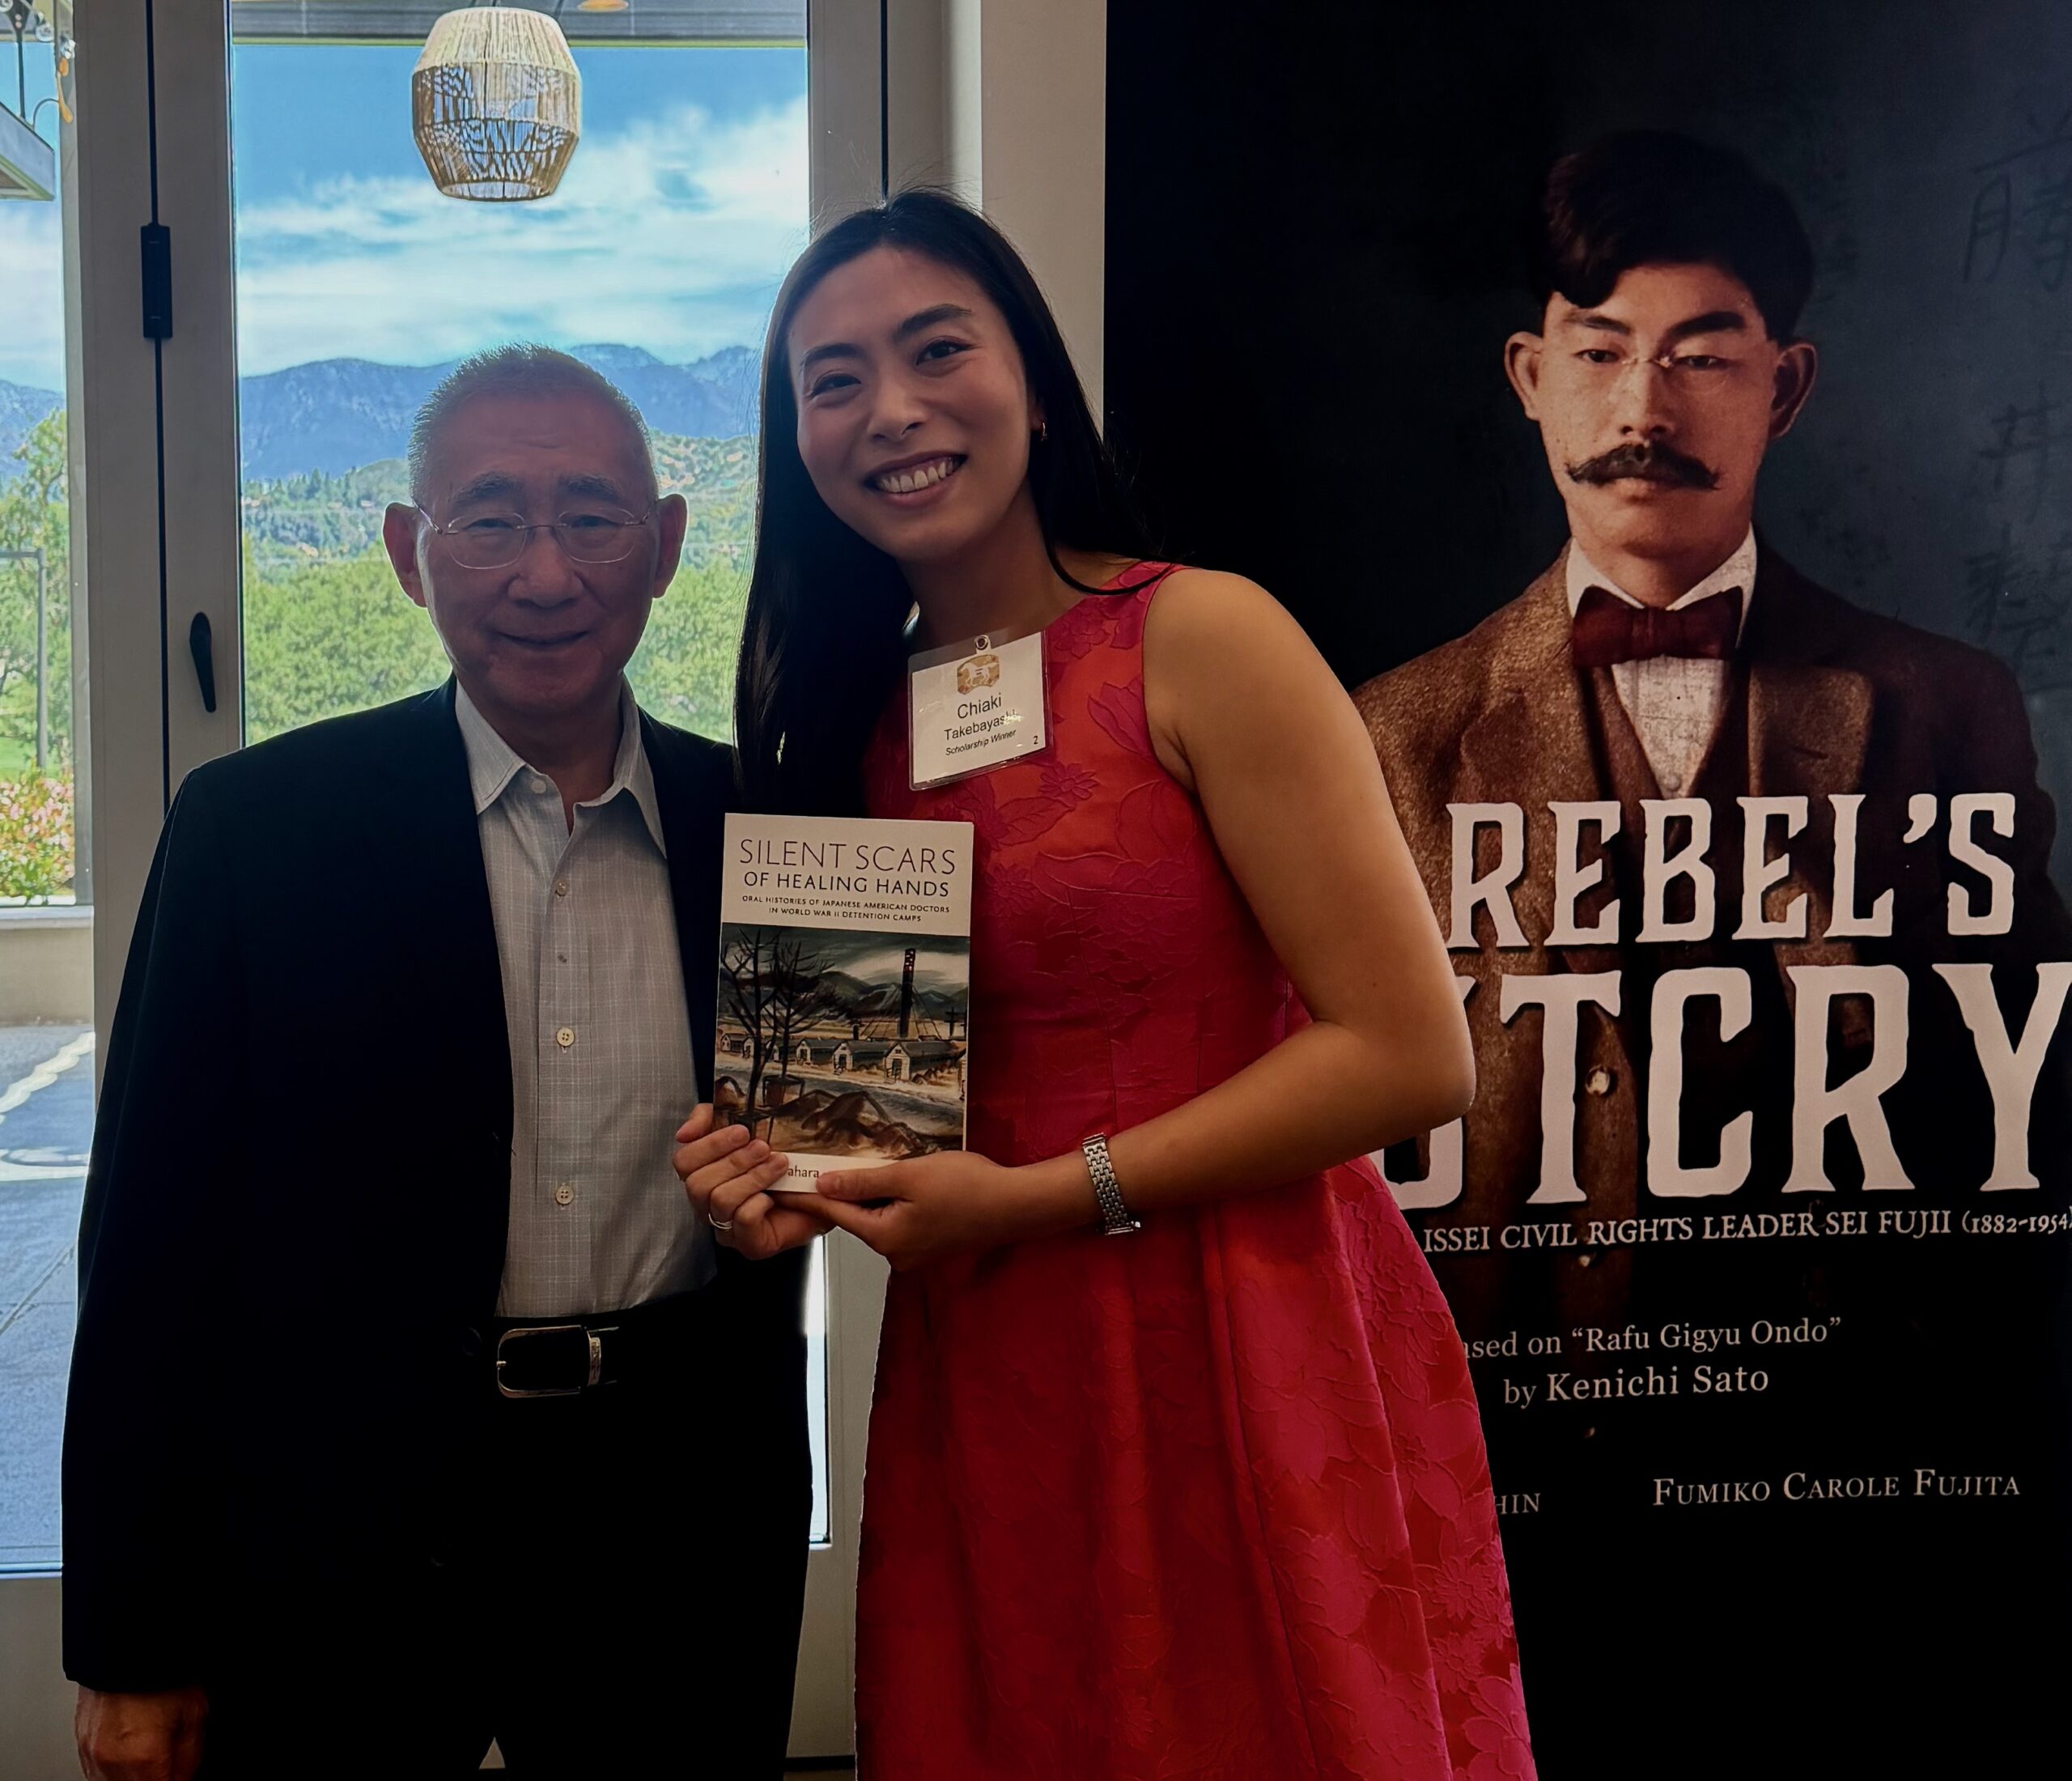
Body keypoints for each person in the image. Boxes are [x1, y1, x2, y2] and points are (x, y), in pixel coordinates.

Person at [673, 189, 1535, 1779]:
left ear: (1037, 379)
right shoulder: (846, 721)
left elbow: (1412, 1054)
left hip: (1243, 1324)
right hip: (995, 1357)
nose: (894, 409)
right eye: (834, 379)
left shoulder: (1199, 637)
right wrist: (784, 1183)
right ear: (797, 438)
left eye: (938, 349)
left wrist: (1036, 1198)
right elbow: (871, 1108)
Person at [1353, 132, 2072, 1771]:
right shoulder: (1386, 734)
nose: (1641, 409)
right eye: (1599, 354)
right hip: (1506, 1493)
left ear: (1787, 384)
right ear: (1528, 376)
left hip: (1849, 1505)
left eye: (1698, 356)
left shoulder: (1941, 705)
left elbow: (2016, 1108)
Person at [65, 347, 809, 1779]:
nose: (546, 572)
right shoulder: (253, 833)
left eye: (593, 519)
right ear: (411, 554)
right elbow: (152, 1248)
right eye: (489, 519)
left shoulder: (768, 834)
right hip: (344, 1527)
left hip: (681, 1523)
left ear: (663, 548)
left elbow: (832, 1154)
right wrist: (128, 1637)